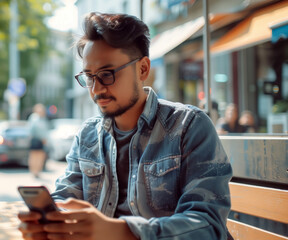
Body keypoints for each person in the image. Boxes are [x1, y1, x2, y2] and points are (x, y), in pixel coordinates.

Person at [18, 12, 233, 240]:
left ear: (142, 69)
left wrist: (120, 231)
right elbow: (65, 195)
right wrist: (50, 223)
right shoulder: (88, 135)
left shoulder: (188, 126)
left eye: (107, 74)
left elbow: (208, 225)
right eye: (89, 76)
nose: (96, 89)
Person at [27, 103, 50, 178]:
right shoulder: (34, 118)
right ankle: (33, 171)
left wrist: (45, 140)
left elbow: (46, 130)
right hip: (35, 139)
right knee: (34, 156)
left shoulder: (44, 119)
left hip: (42, 141)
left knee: (41, 156)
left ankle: (38, 171)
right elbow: (31, 130)